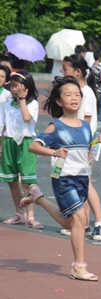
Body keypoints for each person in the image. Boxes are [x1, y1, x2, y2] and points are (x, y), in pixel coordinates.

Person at [20, 76, 101, 281]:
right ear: (59, 101)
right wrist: (54, 152)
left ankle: (37, 197)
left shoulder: (85, 126)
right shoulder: (56, 126)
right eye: (68, 95)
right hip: (64, 179)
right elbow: (34, 146)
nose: (74, 98)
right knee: (80, 218)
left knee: (70, 223)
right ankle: (79, 267)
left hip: (82, 179)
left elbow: (87, 153)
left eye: (77, 94)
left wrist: (99, 143)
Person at [59, 54, 101, 241]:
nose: (62, 72)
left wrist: (84, 146)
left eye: (66, 69)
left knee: (86, 183)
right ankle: (84, 223)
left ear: (78, 71)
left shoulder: (85, 92)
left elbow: (86, 121)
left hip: (86, 143)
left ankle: (100, 223)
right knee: (82, 183)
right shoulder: (78, 90)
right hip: (80, 143)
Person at [0, 71, 42, 229]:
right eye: (12, 86)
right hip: (9, 142)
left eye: (18, 86)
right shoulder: (7, 105)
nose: (14, 89)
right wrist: (1, 147)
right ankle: (19, 213)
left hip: (25, 143)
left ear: (27, 87)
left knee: (27, 182)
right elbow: (3, 127)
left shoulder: (32, 103)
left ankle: (31, 216)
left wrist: (23, 100)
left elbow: (27, 118)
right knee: (11, 181)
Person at [91, 49, 101, 129]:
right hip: (100, 90)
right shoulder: (100, 67)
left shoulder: (91, 67)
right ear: (100, 58)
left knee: (95, 106)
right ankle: (99, 122)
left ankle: (94, 121)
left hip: (93, 89)